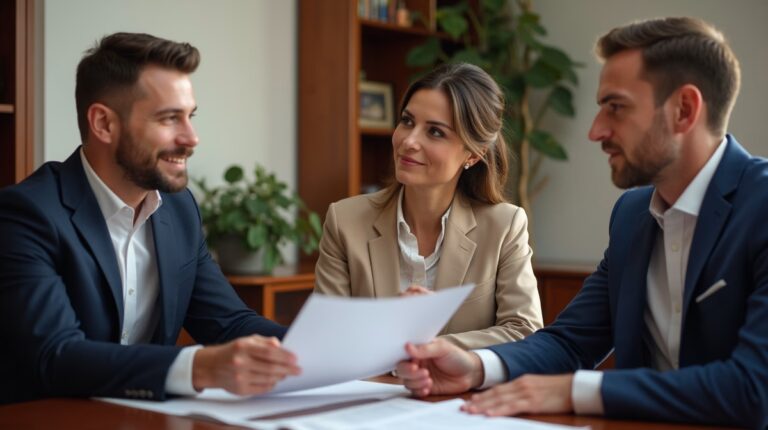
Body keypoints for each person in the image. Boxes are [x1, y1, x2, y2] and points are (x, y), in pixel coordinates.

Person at [395, 17, 768, 428]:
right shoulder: (631, 216)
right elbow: (570, 343)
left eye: (616, 107)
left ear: (684, 110)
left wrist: (575, 390)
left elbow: (755, 389)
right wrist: (474, 367)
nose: (596, 130)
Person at [0, 32, 300, 404]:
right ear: (103, 123)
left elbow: (229, 323)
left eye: (190, 116)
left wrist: (324, 349)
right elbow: (56, 356)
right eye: (170, 118)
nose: (191, 138)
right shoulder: (27, 215)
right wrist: (200, 367)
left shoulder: (179, 208)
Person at [314, 63, 543, 349]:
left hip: (461, 380)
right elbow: (328, 336)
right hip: (372, 378)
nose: (409, 141)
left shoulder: (504, 226)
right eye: (407, 121)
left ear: (473, 154)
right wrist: (390, 326)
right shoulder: (345, 221)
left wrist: (433, 348)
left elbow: (524, 330)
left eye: (435, 132)